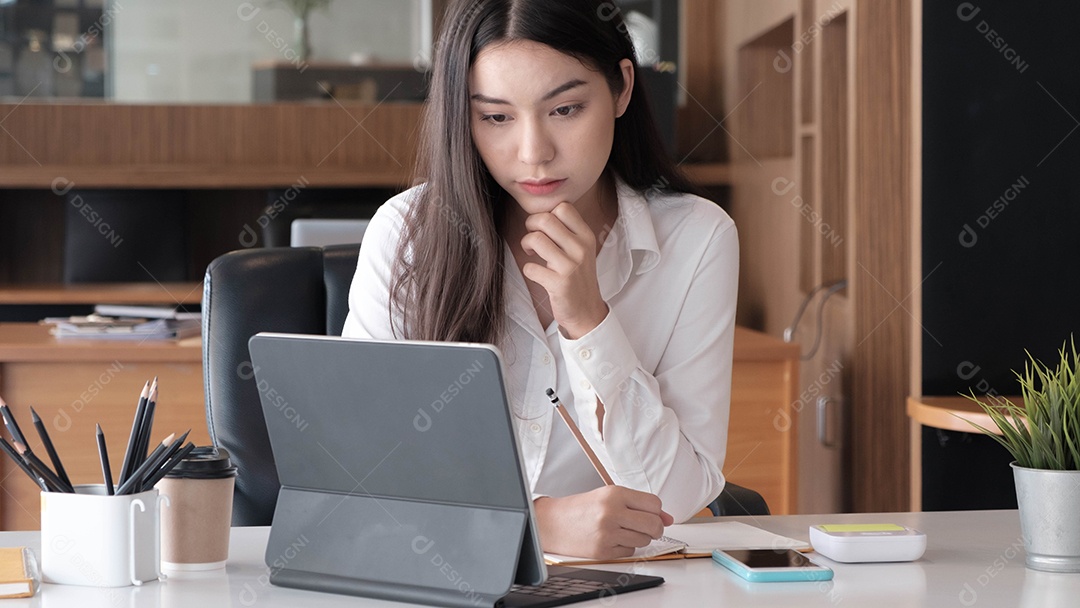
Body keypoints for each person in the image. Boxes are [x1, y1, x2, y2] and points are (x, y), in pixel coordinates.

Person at [343, 0, 738, 560]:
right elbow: (358, 479)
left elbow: (673, 500)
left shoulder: (697, 239)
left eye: (566, 109)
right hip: (432, 575)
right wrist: (534, 525)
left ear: (622, 88)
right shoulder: (408, 232)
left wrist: (588, 322)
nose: (534, 154)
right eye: (497, 117)